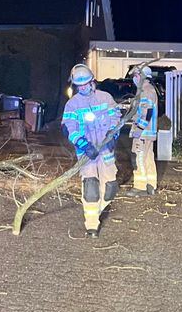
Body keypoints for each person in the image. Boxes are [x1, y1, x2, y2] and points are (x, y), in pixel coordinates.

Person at [61, 64, 121, 237]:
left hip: (105, 152)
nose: (83, 87)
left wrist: (112, 136)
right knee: (91, 188)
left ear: (92, 81)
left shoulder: (105, 98)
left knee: (110, 188)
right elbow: (68, 128)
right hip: (86, 154)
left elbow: (115, 118)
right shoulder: (72, 104)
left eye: (85, 84)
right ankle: (92, 225)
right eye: (79, 85)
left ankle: (99, 211)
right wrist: (83, 144)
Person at [126, 65, 158, 196]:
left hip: (143, 133)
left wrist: (139, 128)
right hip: (148, 133)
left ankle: (140, 187)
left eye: (135, 76)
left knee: (138, 159)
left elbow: (146, 112)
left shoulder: (146, 92)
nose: (134, 79)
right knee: (148, 158)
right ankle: (151, 185)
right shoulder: (149, 90)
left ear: (141, 77)